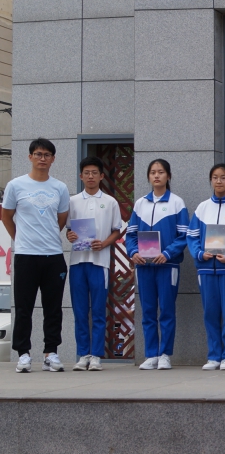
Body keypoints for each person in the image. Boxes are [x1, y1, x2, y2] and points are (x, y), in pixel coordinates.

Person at [2, 139, 71, 373]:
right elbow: (6, 216)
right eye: (38, 154)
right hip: (25, 256)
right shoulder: (15, 185)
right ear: (30, 156)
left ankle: (51, 353)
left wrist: (47, 236)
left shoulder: (60, 187)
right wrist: (20, 238)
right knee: (24, 308)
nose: (42, 158)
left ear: (53, 159)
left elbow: (60, 220)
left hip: (53, 256)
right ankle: (23, 354)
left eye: (47, 155)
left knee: (53, 308)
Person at [186, 163, 225, 371]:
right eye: (215, 177)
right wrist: (199, 254)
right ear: (211, 180)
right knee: (210, 313)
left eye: (223, 177)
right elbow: (192, 236)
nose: (219, 181)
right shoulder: (202, 208)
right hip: (206, 269)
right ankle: (214, 355)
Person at [125, 158, 187, 370]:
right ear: (148, 176)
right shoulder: (140, 203)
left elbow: (184, 235)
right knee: (148, 311)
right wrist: (133, 252)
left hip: (167, 266)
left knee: (167, 310)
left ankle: (165, 354)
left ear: (168, 176)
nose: (157, 175)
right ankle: (151, 354)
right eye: (153, 172)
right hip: (144, 266)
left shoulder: (177, 203)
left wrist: (168, 253)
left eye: (161, 172)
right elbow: (130, 235)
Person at [65, 156, 124, 371]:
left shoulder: (110, 202)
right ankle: (83, 354)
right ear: (81, 176)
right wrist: (70, 236)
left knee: (98, 310)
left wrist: (104, 243)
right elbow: (69, 230)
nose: (90, 176)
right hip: (77, 262)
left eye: (94, 173)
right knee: (80, 311)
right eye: (87, 173)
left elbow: (117, 230)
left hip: (100, 263)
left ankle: (97, 355)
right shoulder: (72, 201)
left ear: (101, 176)